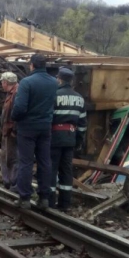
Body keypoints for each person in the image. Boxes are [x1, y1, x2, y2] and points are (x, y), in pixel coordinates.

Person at [11, 54, 57, 209]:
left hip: (27, 128)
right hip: (45, 127)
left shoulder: (26, 82)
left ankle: (24, 198)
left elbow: (19, 107)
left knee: (26, 162)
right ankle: (44, 198)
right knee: (45, 161)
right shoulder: (53, 82)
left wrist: (14, 118)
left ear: (32, 65)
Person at [50, 67, 87, 210]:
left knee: (51, 169)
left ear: (59, 79)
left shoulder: (55, 95)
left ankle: (50, 202)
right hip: (70, 139)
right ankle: (65, 204)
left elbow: (48, 118)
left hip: (54, 138)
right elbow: (83, 124)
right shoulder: (79, 98)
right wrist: (78, 141)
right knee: (66, 171)